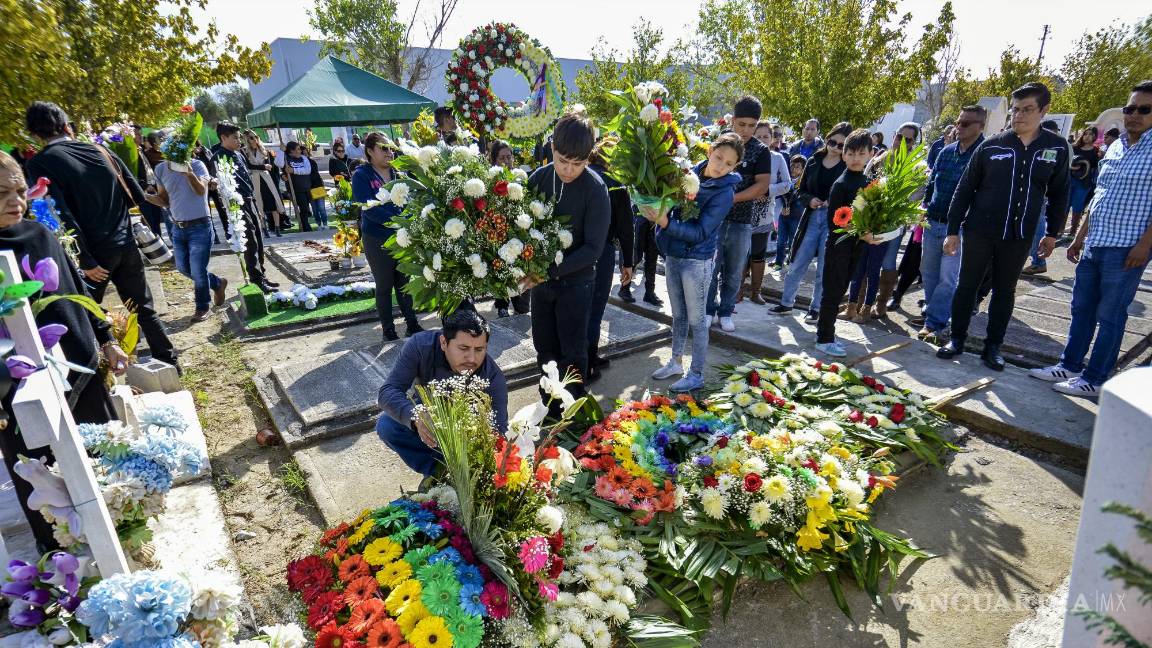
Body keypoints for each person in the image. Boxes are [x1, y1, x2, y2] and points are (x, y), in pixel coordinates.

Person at [1, 150, 131, 550]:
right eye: (2, 193)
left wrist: (106, 339)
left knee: (105, 458)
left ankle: (125, 529)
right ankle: (63, 553)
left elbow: (76, 292)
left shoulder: (41, 235)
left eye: (21, 191)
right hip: (19, 387)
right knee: (42, 475)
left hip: (80, 369)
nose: (16, 202)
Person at [23, 101, 178, 369]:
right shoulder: (101, 150)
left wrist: (85, 260)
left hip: (92, 254)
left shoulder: (40, 163)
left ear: (36, 135)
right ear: (66, 126)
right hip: (125, 242)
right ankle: (169, 362)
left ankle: (97, 373)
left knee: (84, 312)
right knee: (143, 308)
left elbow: (59, 214)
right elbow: (137, 195)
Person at [1028, 80, 1152, 397]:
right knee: (1081, 307)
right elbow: (1099, 196)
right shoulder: (1116, 145)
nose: (1134, 115)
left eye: (1144, 109)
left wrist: (1145, 245)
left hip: (1127, 247)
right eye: (1130, 108)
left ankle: (1095, 379)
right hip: (1096, 240)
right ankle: (1069, 365)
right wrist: (1079, 237)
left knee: (1110, 314)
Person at [937, 82, 1071, 371]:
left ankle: (992, 347)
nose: (1019, 116)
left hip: (1019, 235)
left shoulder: (1055, 147)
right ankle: (956, 338)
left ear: (1044, 110)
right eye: (1015, 110)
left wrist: (1052, 233)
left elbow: (1060, 192)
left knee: (1004, 290)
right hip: (980, 231)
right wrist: (952, 230)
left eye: (1027, 110)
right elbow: (964, 190)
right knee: (967, 286)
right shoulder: (992, 145)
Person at [647, 133, 744, 391]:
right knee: (677, 315)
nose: (721, 165)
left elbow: (701, 232)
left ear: (735, 167)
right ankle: (676, 361)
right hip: (673, 254)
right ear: (710, 151)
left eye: (728, 163)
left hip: (696, 260)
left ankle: (696, 374)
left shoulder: (724, 193)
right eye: (718, 157)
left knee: (697, 320)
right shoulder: (690, 173)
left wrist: (666, 223)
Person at [526, 113, 610, 403]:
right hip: (541, 283)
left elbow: (593, 249)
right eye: (563, 161)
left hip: (577, 283)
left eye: (578, 164)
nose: (569, 170)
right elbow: (523, 229)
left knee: (573, 351)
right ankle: (548, 404)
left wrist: (547, 270)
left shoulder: (595, 189)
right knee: (545, 346)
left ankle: (573, 408)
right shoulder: (537, 179)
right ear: (552, 148)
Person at [375, 310, 506, 477]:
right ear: (444, 342)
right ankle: (437, 474)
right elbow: (387, 392)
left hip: (467, 433)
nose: (472, 358)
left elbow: (499, 430)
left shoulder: (493, 377)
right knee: (387, 425)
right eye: (463, 348)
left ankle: (461, 476)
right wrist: (417, 416)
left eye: (479, 349)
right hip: (430, 417)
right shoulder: (420, 346)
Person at [915, 106, 988, 338]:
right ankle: (933, 312)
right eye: (959, 122)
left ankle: (935, 322)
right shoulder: (946, 152)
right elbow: (931, 184)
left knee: (948, 277)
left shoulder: (985, 155)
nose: (960, 127)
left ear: (981, 126)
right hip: (933, 221)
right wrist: (924, 207)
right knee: (928, 272)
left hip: (959, 228)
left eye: (966, 123)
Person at [770, 122, 853, 321]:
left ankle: (816, 309)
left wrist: (832, 203)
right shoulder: (814, 160)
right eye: (833, 142)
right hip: (811, 216)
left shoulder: (848, 165)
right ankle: (786, 303)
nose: (836, 148)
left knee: (824, 267)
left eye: (842, 145)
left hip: (834, 220)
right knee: (797, 260)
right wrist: (810, 200)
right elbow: (800, 189)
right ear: (826, 140)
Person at [705, 96, 774, 332]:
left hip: (742, 221)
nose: (746, 130)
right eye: (742, 124)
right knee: (710, 268)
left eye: (752, 125)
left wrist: (731, 198)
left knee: (734, 271)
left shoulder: (761, 150)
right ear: (733, 120)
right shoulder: (720, 142)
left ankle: (725, 312)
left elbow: (762, 186)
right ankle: (707, 310)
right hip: (713, 219)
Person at [813, 129, 881, 357]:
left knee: (841, 288)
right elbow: (834, 223)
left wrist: (874, 229)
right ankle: (824, 338)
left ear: (871, 154)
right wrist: (861, 233)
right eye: (850, 153)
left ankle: (827, 333)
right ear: (843, 155)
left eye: (861, 153)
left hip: (856, 246)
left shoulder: (869, 182)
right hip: (839, 245)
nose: (855, 158)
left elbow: (871, 213)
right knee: (832, 292)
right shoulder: (841, 184)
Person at [351, 132, 423, 341]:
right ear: (370, 151)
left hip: (401, 237)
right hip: (377, 238)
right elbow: (368, 207)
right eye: (383, 148)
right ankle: (388, 330)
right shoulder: (362, 175)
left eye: (391, 148)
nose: (389, 152)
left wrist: (406, 222)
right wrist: (397, 222)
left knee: (404, 282)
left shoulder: (398, 175)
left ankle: (412, 324)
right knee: (384, 284)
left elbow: (409, 203)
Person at [152, 147, 227, 321]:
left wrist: (188, 173)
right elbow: (164, 200)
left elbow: (201, 191)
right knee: (182, 267)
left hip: (200, 225)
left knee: (198, 270)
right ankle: (217, 283)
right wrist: (144, 196)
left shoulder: (197, 165)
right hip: (178, 227)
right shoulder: (161, 169)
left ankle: (202, 307)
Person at [586, 137, 636, 382]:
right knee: (595, 311)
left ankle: (585, 358)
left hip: (576, 252)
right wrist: (628, 262)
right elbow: (627, 228)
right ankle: (587, 362)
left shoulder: (582, 176)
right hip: (602, 251)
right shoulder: (616, 184)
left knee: (580, 309)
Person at [864, 121, 923, 318]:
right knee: (866, 260)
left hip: (894, 222)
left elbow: (916, 195)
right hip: (871, 219)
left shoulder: (916, 166)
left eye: (908, 139)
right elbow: (865, 184)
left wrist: (896, 211)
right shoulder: (879, 159)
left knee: (888, 261)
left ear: (914, 142)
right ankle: (861, 301)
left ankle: (881, 303)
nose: (902, 142)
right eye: (899, 136)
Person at [212, 121, 276, 292]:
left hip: (249, 200)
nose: (239, 141)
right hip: (236, 204)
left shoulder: (239, 154)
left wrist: (255, 204)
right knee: (250, 242)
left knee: (259, 239)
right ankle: (255, 278)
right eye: (235, 138)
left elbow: (246, 179)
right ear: (223, 137)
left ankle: (261, 274)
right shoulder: (219, 156)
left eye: (239, 138)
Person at [743, 121, 792, 304]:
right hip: (743, 211)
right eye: (758, 136)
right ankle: (737, 290)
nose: (762, 140)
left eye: (766, 136)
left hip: (764, 213)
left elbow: (787, 185)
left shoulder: (777, 158)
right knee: (740, 253)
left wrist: (767, 190)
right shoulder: (744, 153)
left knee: (758, 253)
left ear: (772, 138)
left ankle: (756, 292)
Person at [1021, 119, 1071, 275]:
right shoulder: (1059, 145)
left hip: (1043, 194)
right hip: (1039, 193)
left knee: (1038, 225)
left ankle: (1038, 261)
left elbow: (1047, 172)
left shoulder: (1056, 146)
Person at [489, 140, 530, 317]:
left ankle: (521, 303)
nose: (507, 160)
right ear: (494, 160)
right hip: (499, 233)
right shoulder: (491, 179)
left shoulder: (521, 177)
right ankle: (502, 304)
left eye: (509, 156)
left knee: (522, 270)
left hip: (520, 233)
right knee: (501, 268)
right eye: (502, 158)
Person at [242, 130, 285, 237]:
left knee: (273, 202)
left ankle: (277, 228)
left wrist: (264, 167)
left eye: (255, 137)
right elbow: (249, 166)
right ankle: (264, 228)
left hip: (266, 178)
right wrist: (262, 167)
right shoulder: (245, 152)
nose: (254, 139)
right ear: (247, 140)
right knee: (259, 204)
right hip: (255, 178)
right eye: (251, 138)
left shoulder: (264, 150)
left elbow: (269, 164)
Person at [772, 155, 808, 269]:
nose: (793, 169)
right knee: (780, 240)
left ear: (803, 169)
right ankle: (778, 262)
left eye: (797, 167)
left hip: (796, 216)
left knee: (793, 240)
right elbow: (781, 194)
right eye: (792, 166)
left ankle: (790, 260)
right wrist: (784, 206)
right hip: (783, 215)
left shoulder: (804, 183)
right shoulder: (784, 179)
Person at [1064, 126, 1100, 238]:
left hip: (1084, 182)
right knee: (1065, 204)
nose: (1087, 136)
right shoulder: (1074, 148)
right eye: (1086, 134)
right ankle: (1059, 229)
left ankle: (1073, 231)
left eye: (1090, 134)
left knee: (1078, 206)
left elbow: (1096, 168)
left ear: (1095, 136)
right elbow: (1066, 162)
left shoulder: (1096, 151)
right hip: (1070, 180)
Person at [280, 141, 323, 232]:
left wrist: (293, 170)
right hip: (295, 188)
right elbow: (278, 163)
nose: (300, 151)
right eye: (298, 149)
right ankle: (305, 225)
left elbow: (307, 170)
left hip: (306, 187)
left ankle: (305, 224)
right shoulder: (286, 158)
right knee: (303, 206)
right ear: (291, 151)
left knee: (306, 208)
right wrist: (281, 151)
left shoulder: (304, 158)